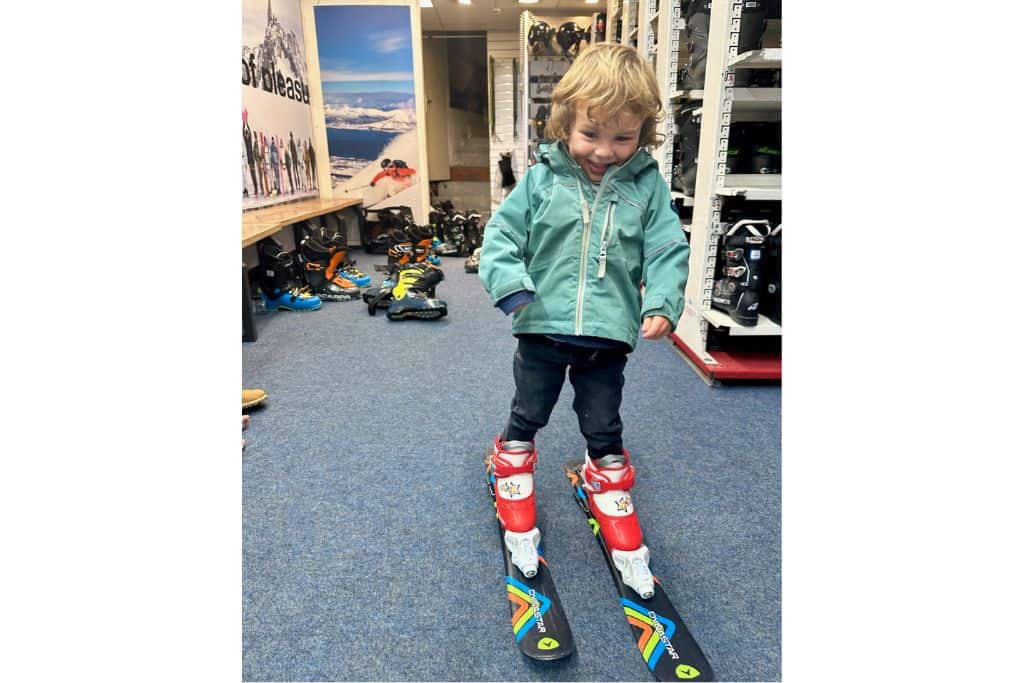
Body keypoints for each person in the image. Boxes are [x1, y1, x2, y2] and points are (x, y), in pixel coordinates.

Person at [478, 43, 689, 598]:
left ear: (644, 133)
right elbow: (500, 236)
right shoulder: (543, 180)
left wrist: (663, 301)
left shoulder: (646, 187)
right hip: (541, 327)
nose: (604, 151)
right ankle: (512, 460)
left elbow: (668, 248)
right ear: (566, 121)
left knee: (603, 422)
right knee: (530, 409)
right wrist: (511, 287)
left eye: (624, 138)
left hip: (607, 338)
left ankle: (607, 476)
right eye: (591, 134)